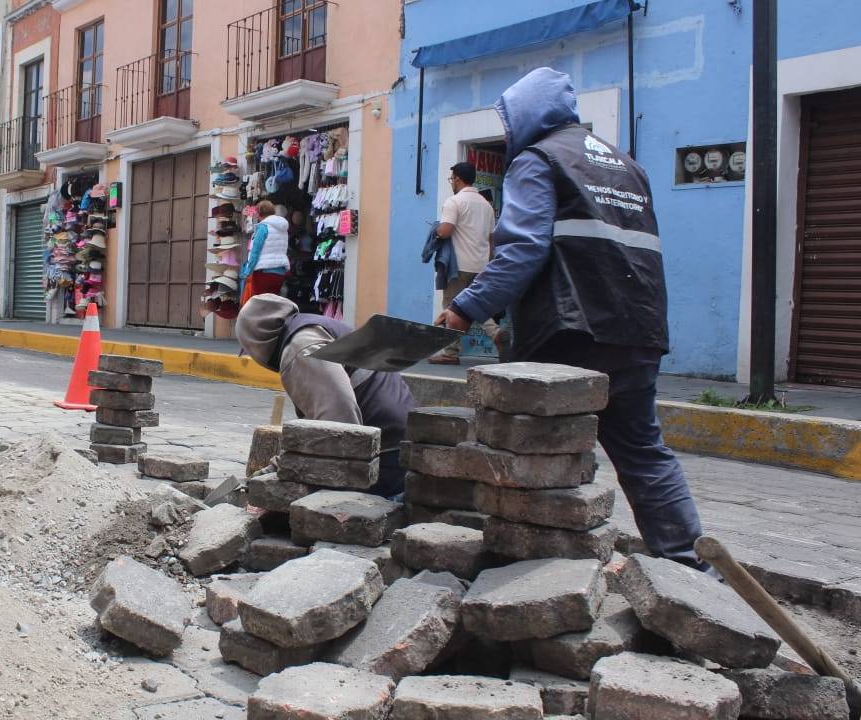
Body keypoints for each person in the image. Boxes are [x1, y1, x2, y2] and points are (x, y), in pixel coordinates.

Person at [435, 67, 707, 569]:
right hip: (638, 329)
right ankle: (689, 568)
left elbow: (522, 251)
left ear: (526, 116)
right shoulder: (628, 167)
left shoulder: (538, 160)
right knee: (644, 451)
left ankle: (533, 574)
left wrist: (465, 308)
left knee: (531, 452)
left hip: (570, 330)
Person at [236, 293, 417, 497]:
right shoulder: (315, 327)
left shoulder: (299, 348)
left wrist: (284, 466)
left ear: (256, 342)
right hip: (400, 445)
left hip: (386, 461)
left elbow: (338, 425)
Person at [428, 162, 502, 365]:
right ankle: (497, 334)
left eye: (452, 178)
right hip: (480, 265)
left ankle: (451, 353)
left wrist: (435, 231)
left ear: (458, 179)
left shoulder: (454, 202)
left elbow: (445, 231)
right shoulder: (486, 205)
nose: (451, 182)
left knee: (451, 307)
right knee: (477, 305)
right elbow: (491, 240)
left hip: (458, 266)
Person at [239, 200, 289, 305]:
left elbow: (255, 252)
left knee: (259, 305)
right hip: (280, 272)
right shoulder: (282, 228)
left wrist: (248, 271)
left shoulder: (263, 227)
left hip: (263, 272)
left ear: (259, 213)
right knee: (273, 304)